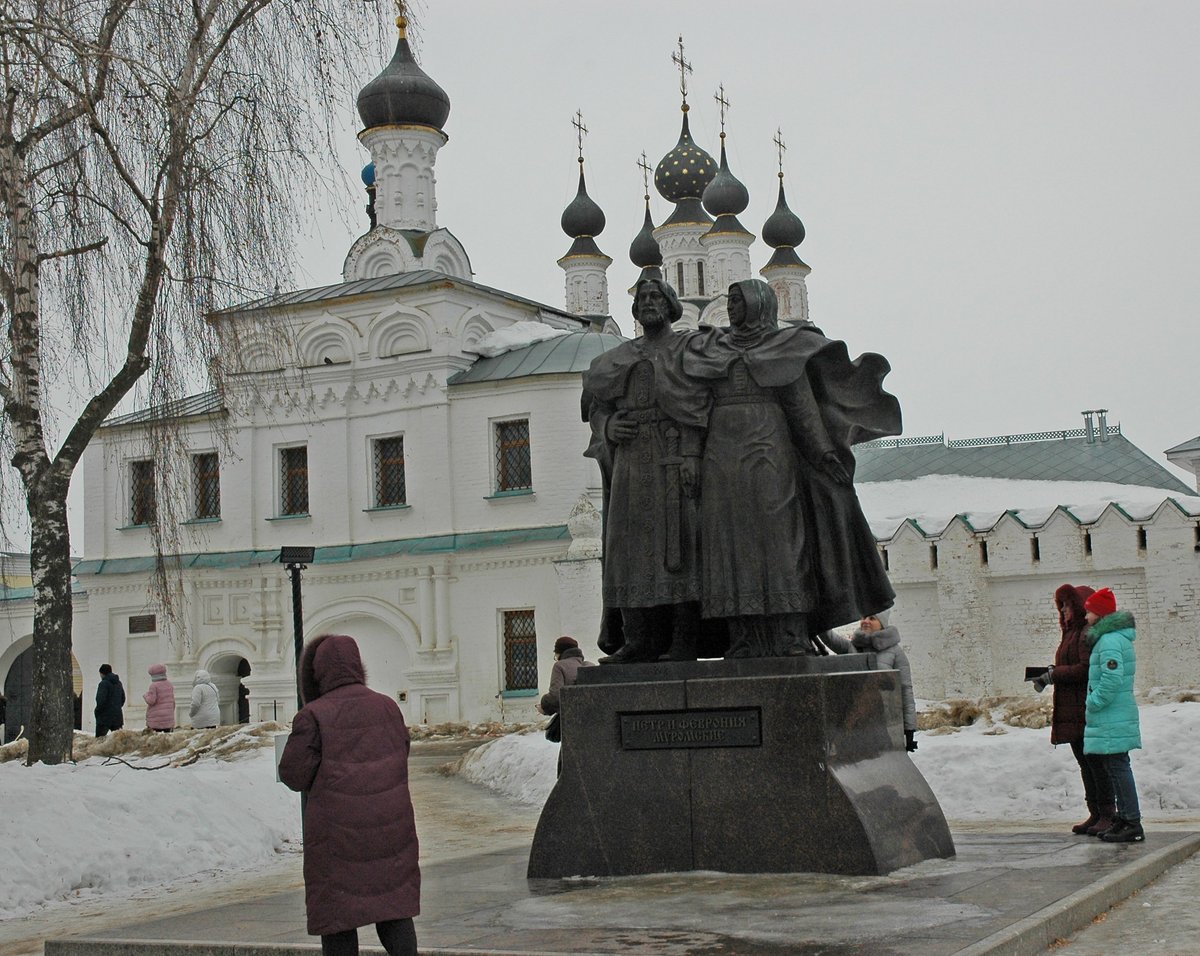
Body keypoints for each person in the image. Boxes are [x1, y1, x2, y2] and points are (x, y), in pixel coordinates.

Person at [682, 279, 901, 656]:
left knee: (782, 544)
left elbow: (802, 409)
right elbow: (692, 410)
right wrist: (689, 456)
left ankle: (789, 633)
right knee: (728, 545)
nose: (732, 307)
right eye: (730, 301)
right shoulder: (709, 349)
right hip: (721, 460)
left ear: (760, 304)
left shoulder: (785, 348)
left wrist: (823, 454)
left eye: (739, 301)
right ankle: (742, 636)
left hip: (770, 455)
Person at [582, 277, 709, 663]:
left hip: (673, 458)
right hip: (632, 464)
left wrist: (691, 455)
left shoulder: (687, 348)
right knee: (628, 549)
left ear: (671, 305)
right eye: (642, 298)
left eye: (656, 297)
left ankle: (685, 639)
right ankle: (638, 640)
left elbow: (698, 403)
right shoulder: (617, 357)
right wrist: (607, 427)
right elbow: (598, 406)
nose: (649, 303)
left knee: (681, 547)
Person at [279, 634, 419, 956]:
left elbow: (293, 773)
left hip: (336, 841)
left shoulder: (313, 715)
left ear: (317, 674)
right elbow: (401, 753)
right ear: (357, 665)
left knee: (338, 918)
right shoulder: (388, 707)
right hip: (390, 832)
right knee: (394, 908)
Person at [1035, 585, 1116, 835]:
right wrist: (1048, 672)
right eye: (1061, 607)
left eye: (1067, 606)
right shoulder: (1070, 633)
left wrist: (1054, 674)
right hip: (1071, 709)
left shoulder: (1084, 633)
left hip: (1084, 708)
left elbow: (1085, 668)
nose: (1063, 611)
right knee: (1085, 763)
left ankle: (1108, 814)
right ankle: (1095, 812)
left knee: (1096, 763)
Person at [1082, 587, 1145, 843]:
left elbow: (1111, 677)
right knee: (1114, 766)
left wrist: (1093, 702)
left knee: (1118, 767)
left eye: (1089, 612)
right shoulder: (1112, 638)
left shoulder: (1109, 641)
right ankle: (1124, 818)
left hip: (1111, 714)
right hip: (1114, 714)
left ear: (1099, 614)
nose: (1086, 617)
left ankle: (1131, 822)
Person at [823, 611, 918, 751]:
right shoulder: (851, 647)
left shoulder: (895, 653)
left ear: (882, 624)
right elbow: (827, 636)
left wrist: (909, 730)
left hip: (883, 724)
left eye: (872, 618)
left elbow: (905, 691)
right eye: (863, 617)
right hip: (852, 724)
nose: (865, 621)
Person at [143, 663, 176, 733]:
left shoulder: (154, 686)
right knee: (167, 740)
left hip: (156, 720)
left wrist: (146, 695)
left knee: (156, 741)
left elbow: (151, 701)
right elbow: (173, 702)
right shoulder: (169, 684)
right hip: (168, 719)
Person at [94, 663, 125, 737]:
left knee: (99, 740)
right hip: (117, 716)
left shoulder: (103, 684)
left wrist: (97, 711)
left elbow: (100, 700)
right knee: (117, 740)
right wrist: (116, 707)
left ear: (102, 673)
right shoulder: (118, 683)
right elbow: (123, 698)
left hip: (104, 717)